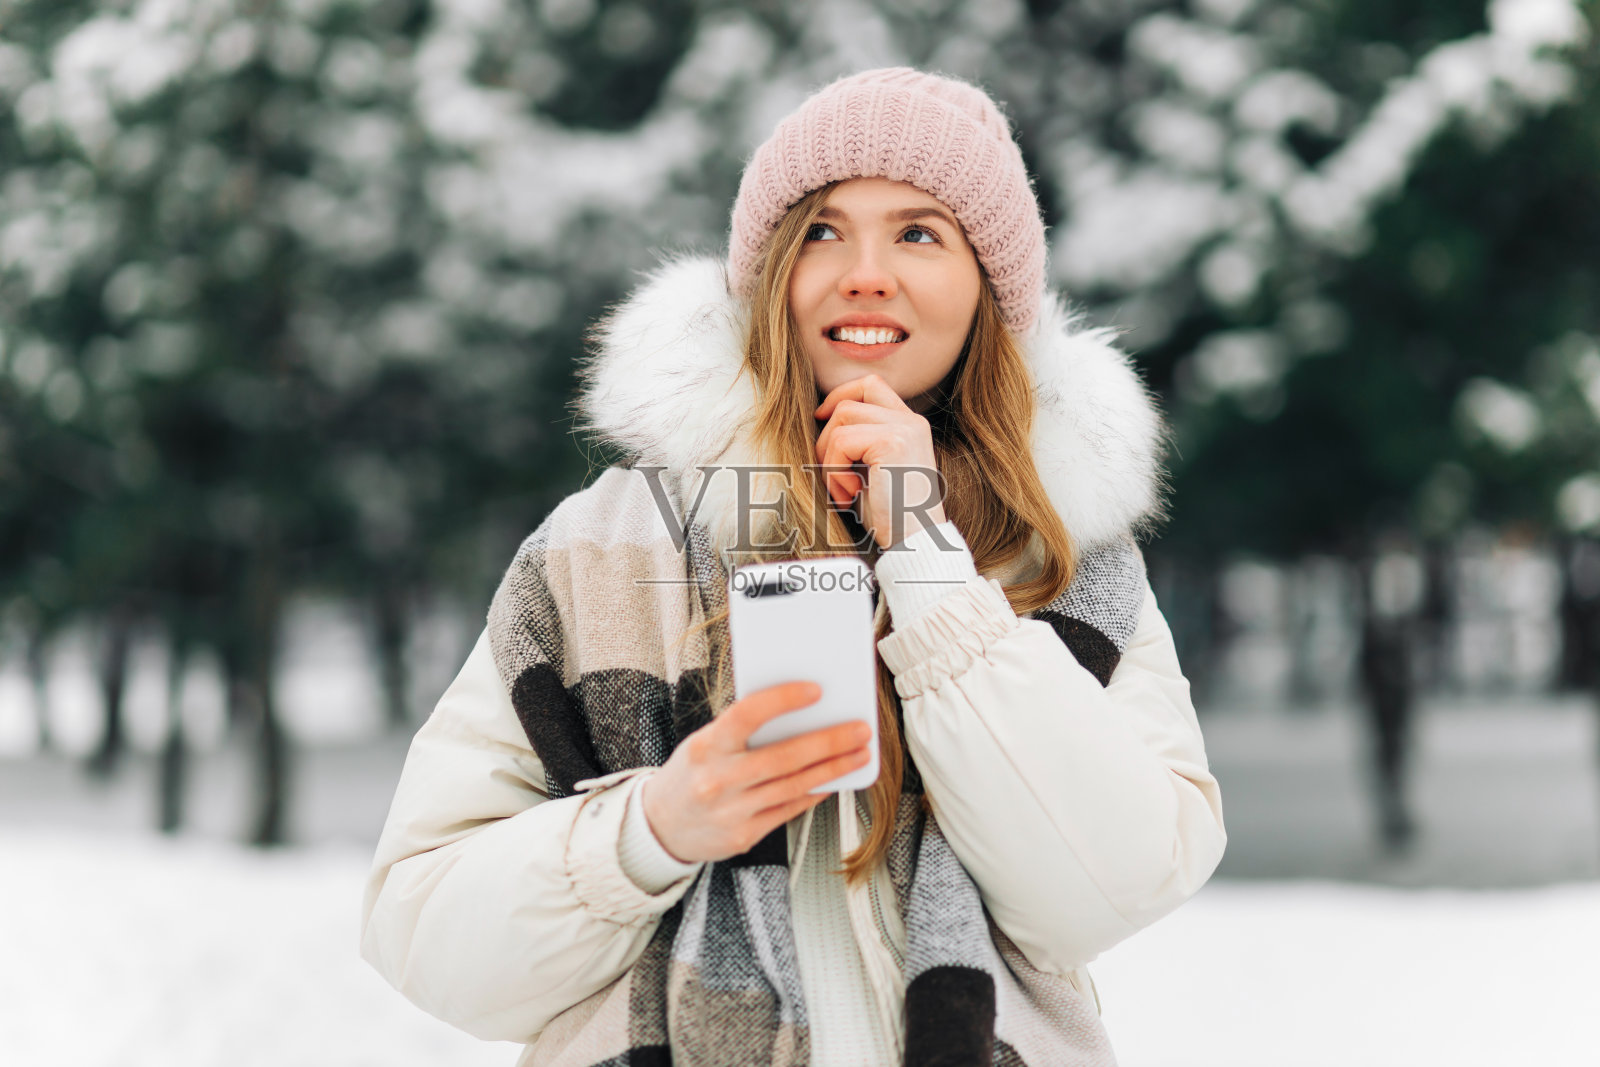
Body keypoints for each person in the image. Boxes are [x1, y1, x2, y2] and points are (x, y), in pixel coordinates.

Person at [359, 67, 1227, 1067]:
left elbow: (1108, 885)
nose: (863, 272)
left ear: (988, 287)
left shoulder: (1063, 556)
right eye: (820, 229)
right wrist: (653, 827)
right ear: (768, 269)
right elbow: (421, 929)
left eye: (919, 232)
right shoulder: (604, 543)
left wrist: (926, 558)